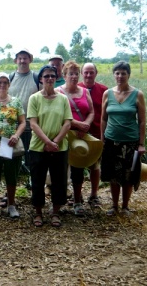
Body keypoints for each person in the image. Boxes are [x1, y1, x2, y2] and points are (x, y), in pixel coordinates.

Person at [27, 65, 72, 227]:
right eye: (46, 76)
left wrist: (56, 142)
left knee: (59, 180)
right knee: (37, 179)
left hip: (59, 147)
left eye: (52, 76)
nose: (50, 79)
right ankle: (38, 212)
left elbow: (67, 122)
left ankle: (55, 212)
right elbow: (33, 123)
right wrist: (47, 142)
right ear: (41, 79)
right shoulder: (35, 98)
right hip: (38, 147)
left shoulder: (63, 99)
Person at [101, 61, 146, 216]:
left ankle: (125, 207)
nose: (120, 76)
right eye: (117, 73)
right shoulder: (107, 94)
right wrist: (102, 138)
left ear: (128, 75)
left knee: (128, 175)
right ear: (114, 75)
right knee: (113, 175)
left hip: (131, 141)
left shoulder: (137, 94)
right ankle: (114, 206)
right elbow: (103, 119)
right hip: (111, 140)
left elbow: (142, 121)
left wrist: (141, 144)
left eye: (123, 73)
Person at [0, 72, 26, 218]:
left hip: (8, 143)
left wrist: (16, 135)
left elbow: (22, 122)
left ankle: (11, 205)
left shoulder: (15, 102)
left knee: (10, 174)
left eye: (5, 82)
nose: (2, 85)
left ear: (9, 85)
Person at [56, 61, 94, 216]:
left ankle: (77, 202)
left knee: (78, 169)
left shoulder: (85, 92)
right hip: (63, 135)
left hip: (80, 136)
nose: (73, 76)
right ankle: (59, 202)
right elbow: (58, 115)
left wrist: (86, 124)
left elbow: (91, 111)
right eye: (70, 73)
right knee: (60, 169)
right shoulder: (58, 92)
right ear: (64, 75)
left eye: (75, 74)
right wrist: (79, 124)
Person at [4, 48, 40, 207]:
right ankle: (7, 194)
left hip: (32, 127)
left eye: (25, 58)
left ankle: (34, 192)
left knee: (33, 161)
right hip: (9, 128)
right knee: (7, 160)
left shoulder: (36, 77)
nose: (22, 61)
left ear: (30, 60)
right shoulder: (9, 78)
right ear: (15, 60)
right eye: (20, 58)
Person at [78, 63, 108, 206]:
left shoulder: (104, 90)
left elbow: (107, 114)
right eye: (86, 72)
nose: (88, 75)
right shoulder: (76, 89)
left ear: (96, 73)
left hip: (96, 133)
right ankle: (77, 195)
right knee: (76, 166)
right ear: (81, 73)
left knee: (94, 166)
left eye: (91, 72)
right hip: (77, 134)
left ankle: (94, 194)